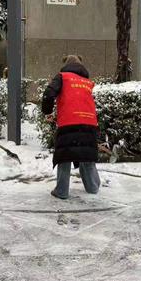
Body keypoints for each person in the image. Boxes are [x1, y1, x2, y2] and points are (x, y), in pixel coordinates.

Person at [42, 55, 101, 199]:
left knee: (65, 154)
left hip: (69, 121)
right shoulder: (86, 81)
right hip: (89, 121)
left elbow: (49, 94)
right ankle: (92, 187)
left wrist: (47, 111)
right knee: (86, 153)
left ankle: (61, 191)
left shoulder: (63, 76)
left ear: (66, 64)